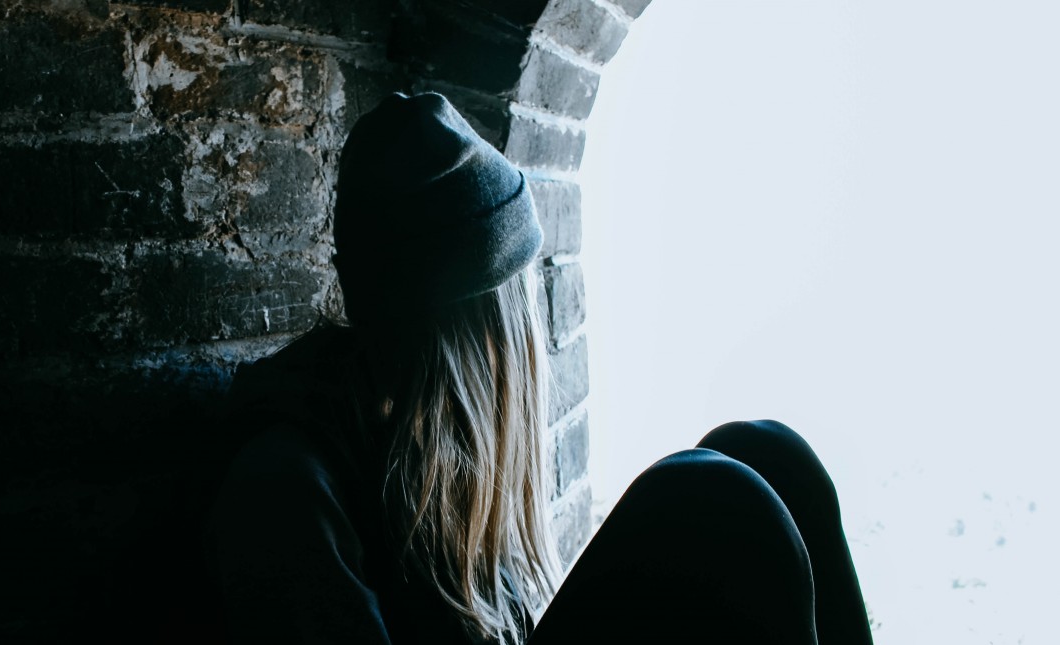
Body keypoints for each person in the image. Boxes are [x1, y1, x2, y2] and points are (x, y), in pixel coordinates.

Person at [209, 92, 872, 644]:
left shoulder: (407, 431)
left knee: (764, 450)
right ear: (479, 324)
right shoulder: (288, 488)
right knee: (710, 500)